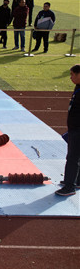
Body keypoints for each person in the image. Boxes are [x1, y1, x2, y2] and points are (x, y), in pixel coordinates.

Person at [56, 64, 80, 196]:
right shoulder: (78, 87)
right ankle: (76, 181)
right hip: (74, 128)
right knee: (77, 157)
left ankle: (69, 186)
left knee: (72, 157)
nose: (71, 77)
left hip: (78, 129)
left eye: (72, 74)